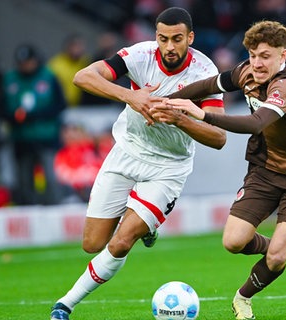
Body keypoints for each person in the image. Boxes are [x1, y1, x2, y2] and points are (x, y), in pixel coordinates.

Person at [49, 7, 226, 320]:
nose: (169, 46)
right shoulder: (138, 55)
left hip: (168, 167)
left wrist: (179, 119)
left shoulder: (205, 72)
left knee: (120, 242)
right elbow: (82, 77)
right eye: (163, 38)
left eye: (177, 39)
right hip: (127, 152)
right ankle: (148, 224)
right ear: (155, 37)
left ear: (190, 38)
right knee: (92, 244)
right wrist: (130, 97)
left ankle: (64, 305)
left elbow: (219, 136)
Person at [151, 20, 286, 320]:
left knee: (275, 258)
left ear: (282, 55)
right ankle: (277, 250)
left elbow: (255, 124)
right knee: (233, 241)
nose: (257, 63)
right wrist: (172, 100)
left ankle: (243, 298)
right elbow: (210, 85)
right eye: (253, 55)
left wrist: (202, 114)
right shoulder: (247, 72)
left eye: (265, 56)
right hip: (265, 169)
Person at [3, 44, 67, 206]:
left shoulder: (49, 76)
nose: (25, 66)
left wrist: (35, 116)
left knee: (51, 178)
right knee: (24, 180)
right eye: (22, 63)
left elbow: (60, 105)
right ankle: (27, 214)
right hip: (21, 138)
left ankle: (54, 209)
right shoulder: (10, 79)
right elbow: (1, 107)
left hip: (46, 137)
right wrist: (15, 116)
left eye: (28, 62)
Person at [48, 33, 92, 107]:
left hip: (81, 106)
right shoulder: (55, 65)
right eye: (77, 46)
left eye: (81, 46)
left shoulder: (86, 62)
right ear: (68, 47)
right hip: (60, 106)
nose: (81, 49)